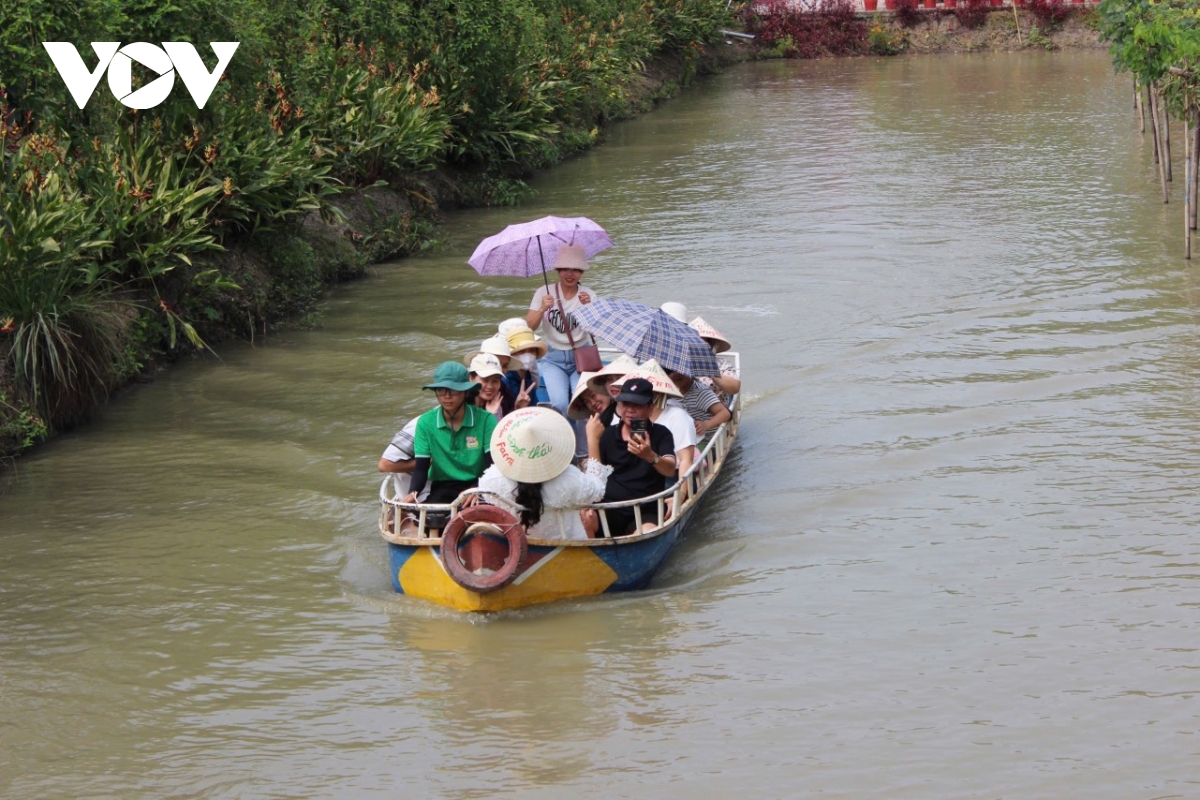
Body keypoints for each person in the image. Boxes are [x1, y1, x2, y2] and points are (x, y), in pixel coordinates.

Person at [479, 407, 612, 540]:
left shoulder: (492, 479)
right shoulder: (570, 479)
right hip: (568, 553)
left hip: (516, 554)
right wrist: (593, 439)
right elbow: (598, 489)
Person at [401, 361, 499, 532]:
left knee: (484, 519)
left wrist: (479, 488)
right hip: (443, 485)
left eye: (453, 390)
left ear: (465, 391)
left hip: (479, 482)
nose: (447, 396)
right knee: (429, 520)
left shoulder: (486, 420)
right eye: (441, 390)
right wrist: (413, 492)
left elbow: (492, 465)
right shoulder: (426, 422)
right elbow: (421, 468)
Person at [586, 377, 676, 536]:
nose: (630, 410)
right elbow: (595, 478)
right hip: (610, 508)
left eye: (637, 405)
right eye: (625, 404)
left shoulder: (661, 434)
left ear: (650, 409)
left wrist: (650, 456)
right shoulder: (608, 434)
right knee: (584, 518)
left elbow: (669, 470)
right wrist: (592, 440)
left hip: (644, 511)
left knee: (647, 532)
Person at [524, 244, 598, 417]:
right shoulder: (544, 292)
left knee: (580, 403)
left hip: (581, 356)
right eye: (565, 269)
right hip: (553, 358)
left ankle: (583, 444)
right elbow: (529, 327)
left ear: (581, 272)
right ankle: (566, 441)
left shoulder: (588, 295)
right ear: (558, 270)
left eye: (575, 269)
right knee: (560, 403)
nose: (570, 274)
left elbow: (597, 331)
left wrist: (590, 308)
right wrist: (543, 308)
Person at [667, 367, 732, 438]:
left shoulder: (700, 393)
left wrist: (706, 425)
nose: (676, 374)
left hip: (711, 437)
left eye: (681, 369)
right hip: (690, 436)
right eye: (669, 371)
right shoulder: (669, 394)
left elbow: (725, 413)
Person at [689, 316, 741, 398]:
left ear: (710, 345)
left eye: (701, 343)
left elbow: (735, 388)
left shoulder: (721, 364)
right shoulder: (679, 363)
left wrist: (710, 371)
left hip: (717, 407)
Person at [469, 352, 529, 422]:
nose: (490, 386)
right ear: (471, 378)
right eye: (485, 380)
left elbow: (508, 427)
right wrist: (490, 416)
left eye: (495, 381)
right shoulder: (463, 404)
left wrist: (517, 409)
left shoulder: (499, 398)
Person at [500, 321, 545, 403]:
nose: (527, 355)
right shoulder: (506, 381)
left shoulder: (528, 374)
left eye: (531, 350)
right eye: (522, 351)